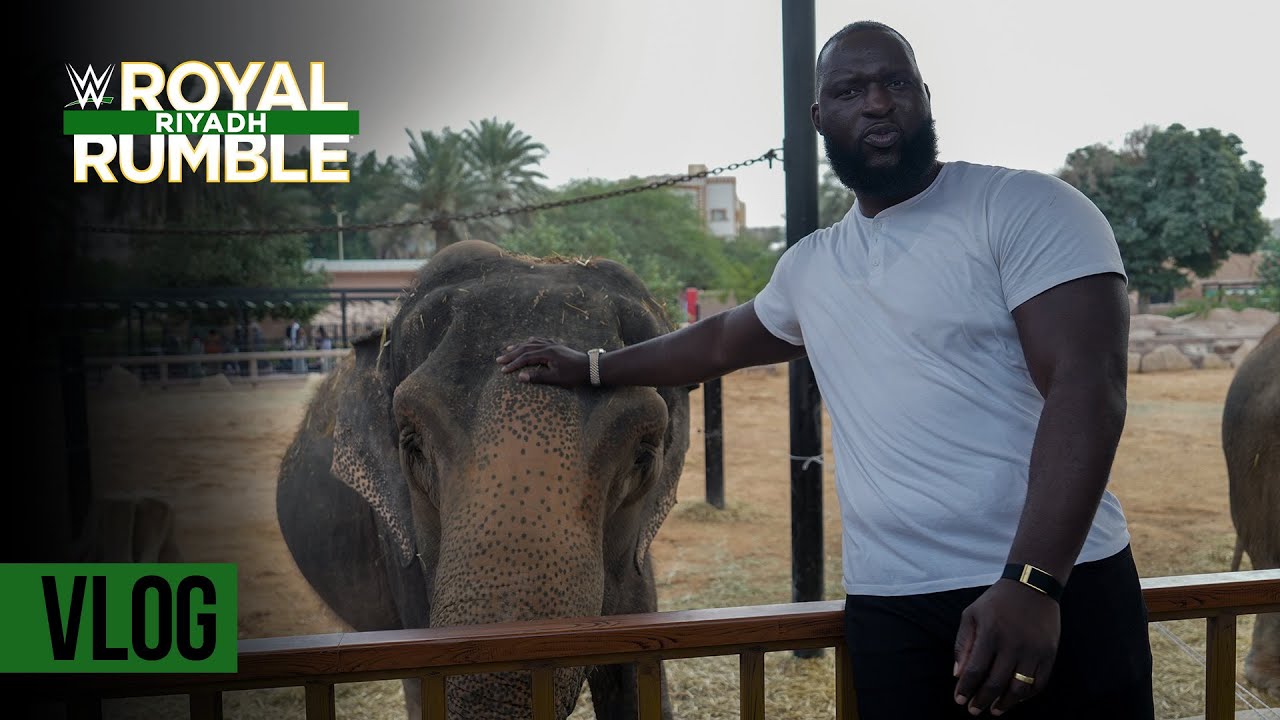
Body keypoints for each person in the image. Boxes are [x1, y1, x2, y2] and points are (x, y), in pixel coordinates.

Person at [496, 20, 1153, 720]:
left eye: (895, 82)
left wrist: (1033, 582)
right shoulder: (813, 266)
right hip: (893, 606)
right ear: (819, 117)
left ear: (925, 96)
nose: (877, 102)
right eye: (850, 90)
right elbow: (718, 342)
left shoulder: (1026, 208)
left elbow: (1088, 389)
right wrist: (594, 368)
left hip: (1056, 589)